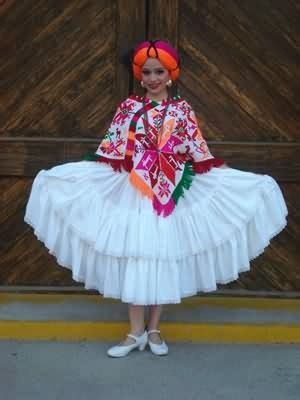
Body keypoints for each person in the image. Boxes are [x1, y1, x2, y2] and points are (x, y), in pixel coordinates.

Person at [24, 40, 288, 358]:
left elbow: (199, 153)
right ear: (139, 74)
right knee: (139, 256)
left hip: (169, 194)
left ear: (170, 73)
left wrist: (193, 155)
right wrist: (83, 172)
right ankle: (134, 332)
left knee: (160, 255)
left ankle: (154, 329)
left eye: (159, 71)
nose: (152, 78)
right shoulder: (129, 108)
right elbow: (111, 150)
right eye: (146, 72)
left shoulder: (182, 110)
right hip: (135, 193)